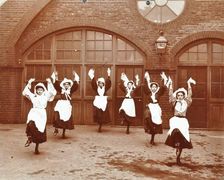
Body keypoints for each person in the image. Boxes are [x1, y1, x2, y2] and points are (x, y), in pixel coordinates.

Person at [165, 77, 196, 165]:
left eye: (181, 95)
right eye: (178, 95)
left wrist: (189, 84)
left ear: (183, 96)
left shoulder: (186, 102)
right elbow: (170, 95)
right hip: (175, 120)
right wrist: (170, 85)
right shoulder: (174, 102)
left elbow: (190, 94)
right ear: (177, 96)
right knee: (175, 131)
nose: (180, 97)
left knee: (183, 136)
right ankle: (176, 144)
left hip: (183, 121)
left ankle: (178, 155)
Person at [23, 78, 56, 154]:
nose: (39, 91)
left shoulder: (45, 97)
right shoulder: (33, 96)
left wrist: (50, 83)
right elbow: (25, 92)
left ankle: (36, 148)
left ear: (43, 90)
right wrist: (29, 82)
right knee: (31, 124)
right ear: (36, 90)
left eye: (41, 90)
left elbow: (53, 92)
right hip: (34, 112)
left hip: (41, 114)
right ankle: (29, 138)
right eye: (38, 90)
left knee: (39, 129)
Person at [51, 70, 80, 138]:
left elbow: (75, 85)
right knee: (57, 115)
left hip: (67, 105)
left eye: (68, 84)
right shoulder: (61, 90)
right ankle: (56, 128)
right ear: (63, 85)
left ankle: (63, 133)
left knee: (66, 118)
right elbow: (56, 85)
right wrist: (56, 76)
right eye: (65, 84)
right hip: (61, 104)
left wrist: (75, 76)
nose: (66, 85)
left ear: (69, 85)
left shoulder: (71, 90)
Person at [144, 71, 169, 145]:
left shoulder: (159, 93)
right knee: (147, 115)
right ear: (151, 88)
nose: (154, 88)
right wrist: (146, 78)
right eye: (152, 87)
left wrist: (164, 78)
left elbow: (163, 87)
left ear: (156, 88)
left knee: (156, 121)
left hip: (156, 107)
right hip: (150, 106)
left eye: (155, 87)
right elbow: (145, 86)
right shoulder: (148, 93)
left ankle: (153, 137)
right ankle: (149, 127)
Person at [88, 68, 112, 132]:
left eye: (102, 83)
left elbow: (108, 83)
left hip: (103, 102)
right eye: (99, 83)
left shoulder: (105, 88)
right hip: (98, 101)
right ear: (98, 83)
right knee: (98, 113)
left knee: (103, 114)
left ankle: (101, 125)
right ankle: (99, 124)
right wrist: (92, 75)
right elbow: (93, 83)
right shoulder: (96, 88)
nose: (100, 84)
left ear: (103, 84)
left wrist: (109, 74)